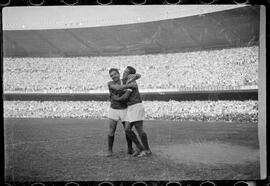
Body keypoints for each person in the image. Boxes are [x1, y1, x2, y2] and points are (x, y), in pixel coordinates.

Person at [110, 66, 151, 157]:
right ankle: (140, 147)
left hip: (136, 106)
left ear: (130, 75)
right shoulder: (127, 82)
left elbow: (125, 96)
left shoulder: (131, 81)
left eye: (126, 72)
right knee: (127, 129)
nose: (124, 73)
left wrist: (116, 98)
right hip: (130, 108)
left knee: (139, 130)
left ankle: (147, 150)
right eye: (124, 71)